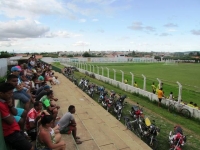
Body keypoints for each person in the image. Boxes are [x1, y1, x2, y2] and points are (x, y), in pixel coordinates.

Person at [0, 83, 34, 150]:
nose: (11, 95)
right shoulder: (1, 105)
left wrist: (11, 105)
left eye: (12, 93)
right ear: (1, 93)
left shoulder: (5, 101)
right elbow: (10, 121)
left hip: (15, 129)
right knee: (31, 148)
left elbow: (15, 113)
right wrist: (11, 115)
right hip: (10, 133)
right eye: (9, 93)